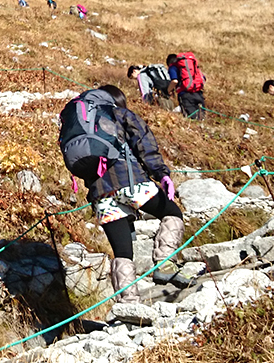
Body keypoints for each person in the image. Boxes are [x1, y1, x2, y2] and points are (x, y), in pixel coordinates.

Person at [61, 84, 202, 297]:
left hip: (101, 195)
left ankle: (129, 303)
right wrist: (161, 174)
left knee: (122, 251)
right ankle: (165, 266)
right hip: (131, 182)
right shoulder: (119, 113)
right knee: (172, 213)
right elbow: (144, 143)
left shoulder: (81, 123)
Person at [166, 53, 206, 120]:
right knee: (201, 119)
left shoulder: (173, 67)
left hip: (186, 96)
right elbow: (203, 78)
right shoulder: (191, 66)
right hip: (199, 94)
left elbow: (174, 81)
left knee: (191, 119)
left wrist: (168, 91)